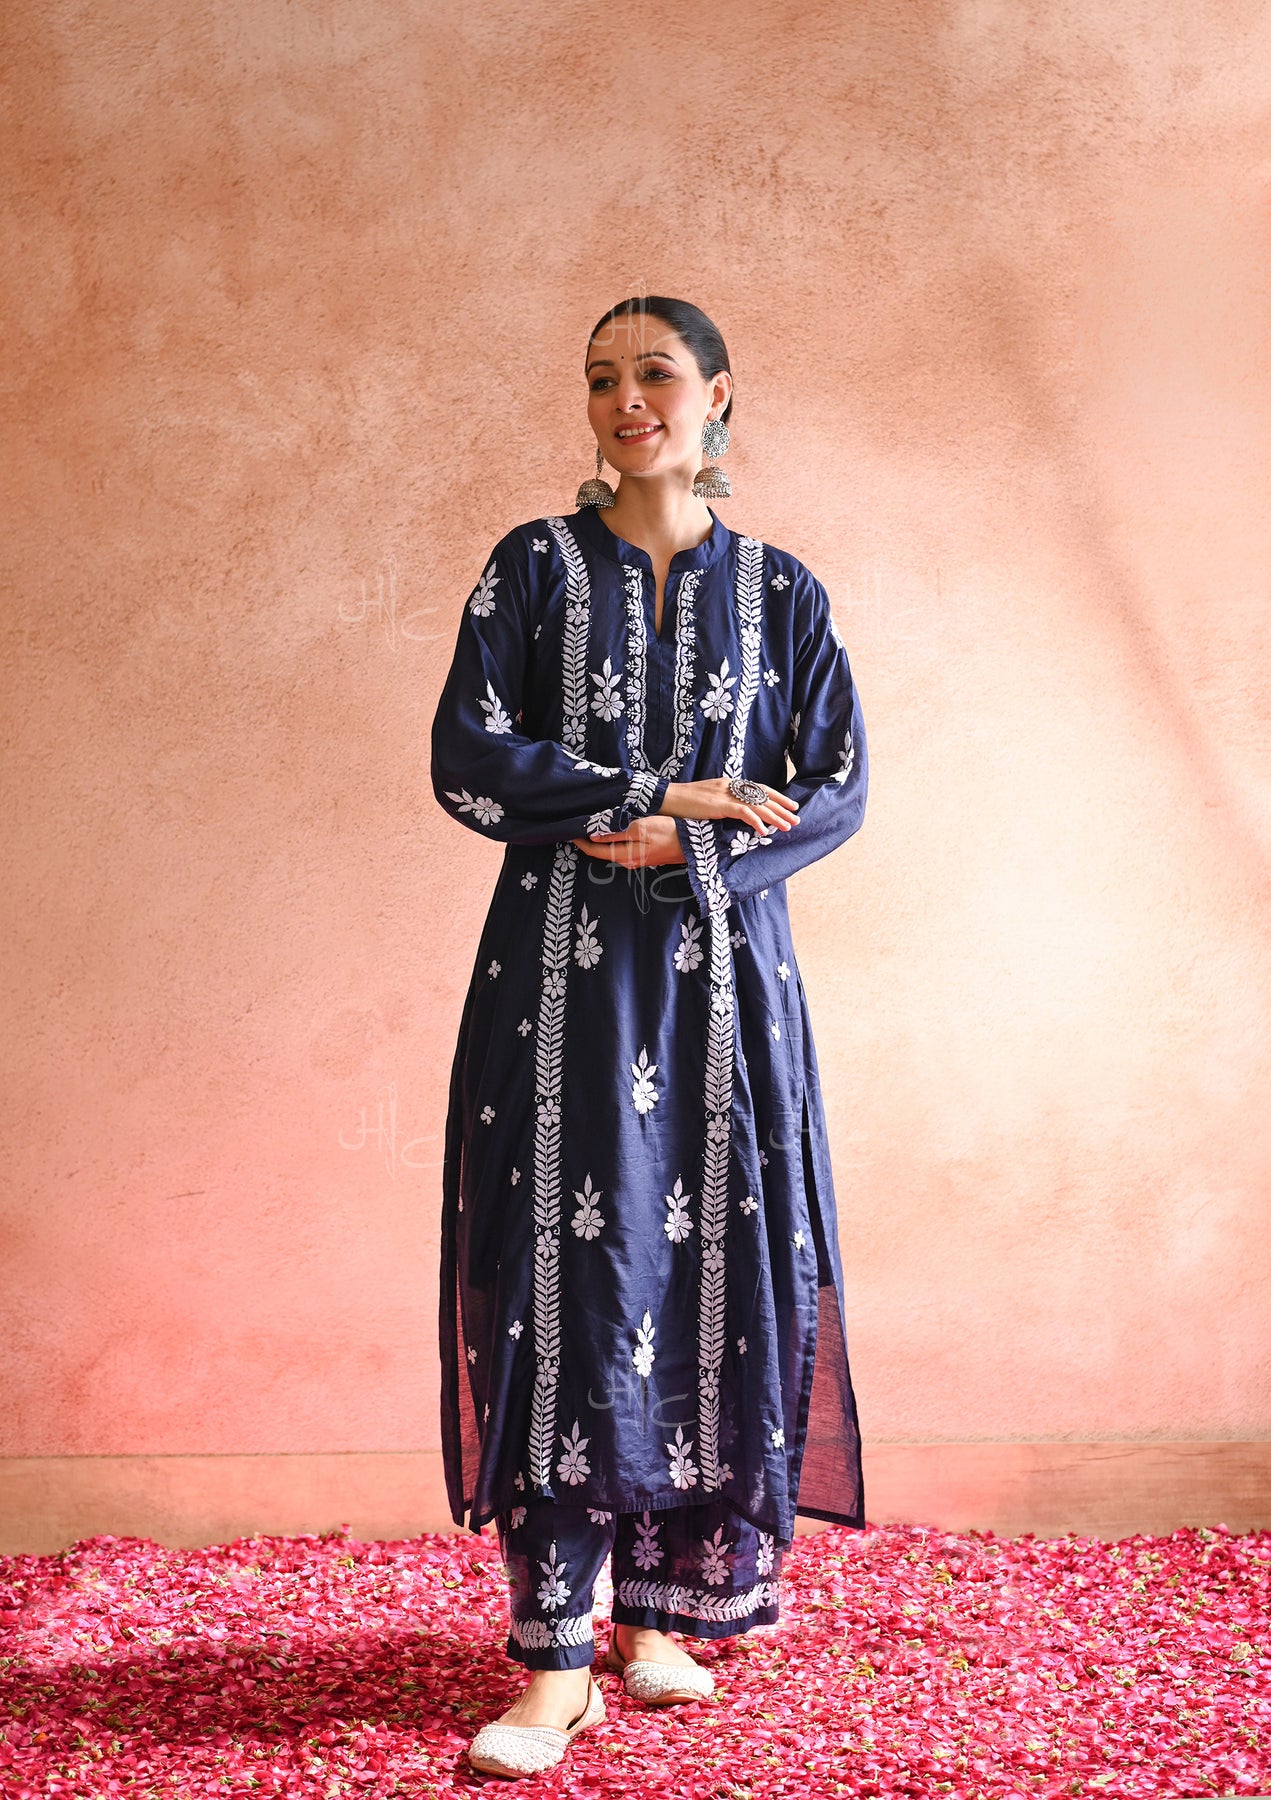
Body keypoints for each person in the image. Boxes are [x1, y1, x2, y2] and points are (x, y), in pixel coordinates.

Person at [430, 295, 869, 1779]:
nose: (629, 401)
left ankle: (663, 1616)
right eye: (603, 378)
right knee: (560, 1276)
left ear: (718, 397)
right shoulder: (531, 570)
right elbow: (470, 759)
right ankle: (556, 1657)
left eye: (658, 375)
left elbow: (838, 785)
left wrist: (703, 854)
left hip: (727, 986)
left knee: (719, 1267)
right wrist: (654, 797)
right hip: (561, 986)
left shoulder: (784, 594)